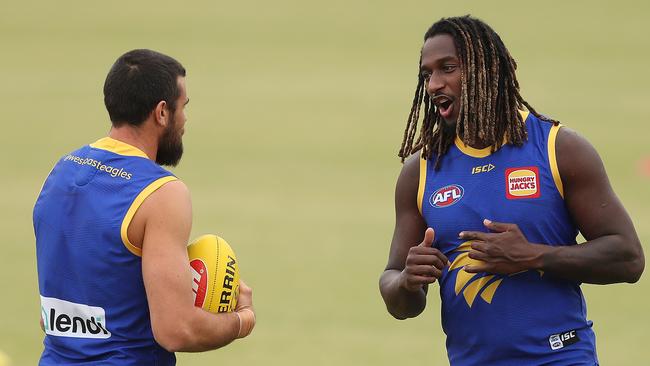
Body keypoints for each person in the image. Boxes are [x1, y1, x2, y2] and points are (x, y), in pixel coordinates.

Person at [379, 16, 644, 365]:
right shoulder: (422, 171)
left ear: (485, 70)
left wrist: (534, 256)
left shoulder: (558, 149)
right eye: (427, 74)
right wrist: (407, 282)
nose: (433, 84)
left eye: (447, 68)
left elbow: (628, 257)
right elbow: (397, 295)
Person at [34, 49, 255, 365]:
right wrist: (241, 319)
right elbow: (175, 330)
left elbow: (50, 316)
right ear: (162, 112)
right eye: (183, 108)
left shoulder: (61, 171)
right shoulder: (162, 193)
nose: (185, 119)